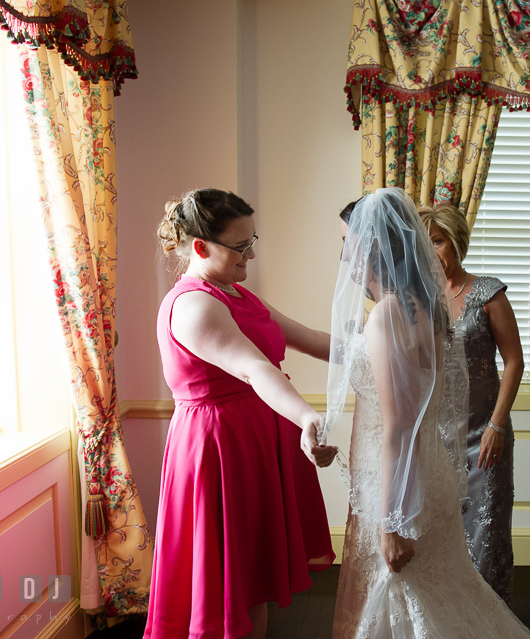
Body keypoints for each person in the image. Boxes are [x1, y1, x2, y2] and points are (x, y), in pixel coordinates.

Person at [321, 188, 530, 638]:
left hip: (408, 471)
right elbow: (351, 357)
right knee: (443, 584)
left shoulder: (394, 313)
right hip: (427, 461)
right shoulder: (426, 307)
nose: (343, 255)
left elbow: (398, 427)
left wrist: (390, 525)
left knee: (414, 588)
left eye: (348, 241)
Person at [146, 188, 337, 639]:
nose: (251, 253)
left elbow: (307, 336)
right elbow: (254, 369)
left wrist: (385, 349)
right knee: (225, 586)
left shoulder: (236, 294)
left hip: (252, 441)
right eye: (240, 245)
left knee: (252, 583)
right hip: (218, 450)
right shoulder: (194, 306)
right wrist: (307, 416)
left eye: (254, 240)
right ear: (200, 247)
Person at [417, 203, 524, 604]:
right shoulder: (416, 301)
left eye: (438, 241)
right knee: (438, 534)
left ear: (455, 241)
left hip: (485, 437)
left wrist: (497, 426)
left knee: (486, 534)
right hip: (436, 438)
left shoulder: (487, 293)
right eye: (423, 246)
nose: (433, 254)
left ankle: (491, 619)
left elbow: (514, 361)